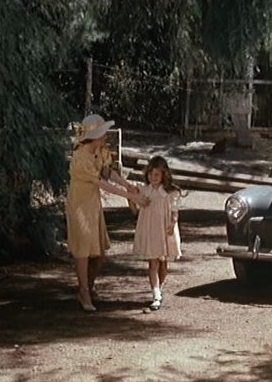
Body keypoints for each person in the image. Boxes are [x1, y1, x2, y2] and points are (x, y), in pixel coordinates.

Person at [66, 114, 149, 312]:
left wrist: (128, 185)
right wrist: (131, 197)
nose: (105, 137)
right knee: (83, 251)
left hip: (92, 204)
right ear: (94, 136)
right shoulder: (80, 158)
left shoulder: (99, 152)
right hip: (80, 205)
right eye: (102, 134)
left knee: (99, 252)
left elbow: (107, 173)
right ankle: (84, 291)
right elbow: (101, 183)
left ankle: (88, 287)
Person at [132, 155, 185, 311]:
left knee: (163, 261)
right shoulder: (145, 191)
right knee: (153, 261)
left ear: (164, 175)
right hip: (150, 229)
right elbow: (134, 205)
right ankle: (155, 293)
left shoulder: (170, 193)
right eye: (150, 174)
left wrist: (172, 224)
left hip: (164, 228)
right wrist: (132, 200)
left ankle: (158, 289)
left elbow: (175, 212)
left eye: (156, 175)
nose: (153, 178)